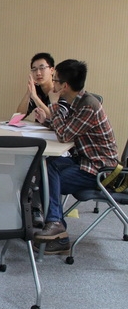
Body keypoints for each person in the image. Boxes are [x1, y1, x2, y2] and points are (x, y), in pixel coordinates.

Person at [33, 60, 118, 255]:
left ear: (64, 86)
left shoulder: (88, 105)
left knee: (46, 179)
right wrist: (46, 121)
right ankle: (56, 226)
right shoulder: (78, 102)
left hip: (100, 170)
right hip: (85, 160)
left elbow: (64, 136)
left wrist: (53, 104)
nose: (52, 83)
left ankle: (56, 228)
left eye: (55, 80)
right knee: (45, 166)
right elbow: (67, 129)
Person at [15, 53, 70, 227]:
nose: (38, 73)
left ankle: (37, 208)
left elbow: (57, 118)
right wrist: (29, 93)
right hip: (43, 140)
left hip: (62, 146)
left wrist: (36, 98)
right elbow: (18, 115)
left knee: (42, 164)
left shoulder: (61, 91)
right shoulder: (36, 90)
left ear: (52, 70)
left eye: (42, 68)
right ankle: (22, 203)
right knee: (19, 158)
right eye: (34, 69)